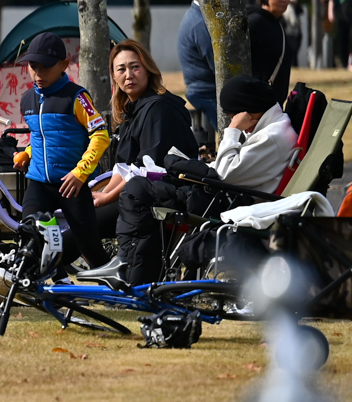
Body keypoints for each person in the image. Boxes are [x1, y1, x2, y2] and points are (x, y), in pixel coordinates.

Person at [101, 74, 299, 286]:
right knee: (141, 188)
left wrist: (232, 131)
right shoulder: (271, 128)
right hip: (230, 197)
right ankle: (132, 269)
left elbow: (225, 173)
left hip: (231, 203)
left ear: (247, 110)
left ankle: (131, 274)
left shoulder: (271, 136)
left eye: (233, 115)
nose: (235, 121)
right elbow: (231, 170)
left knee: (137, 191)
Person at [14, 30, 109, 269]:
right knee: (30, 234)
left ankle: (115, 283)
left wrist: (81, 172)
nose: (38, 73)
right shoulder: (27, 99)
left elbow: (101, 135)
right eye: (33, 66)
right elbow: (41, 138)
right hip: (38, 182)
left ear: (64, 65)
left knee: (89, 246)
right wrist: (27, 154)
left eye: (45, 67)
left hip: (71, 183)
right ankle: (34, 280)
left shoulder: (77, 97)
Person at [87, 39, 197, 236]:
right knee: (76, 219)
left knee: (80, 228)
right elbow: (124, 167)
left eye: (135, 67)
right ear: (114, 76)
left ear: (148, 70)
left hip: (157, 201)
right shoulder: (132, 110)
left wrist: (108, 198)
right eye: (121, 69)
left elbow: (147, 169)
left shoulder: (158, 109)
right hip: (133, 194)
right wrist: (103, 194)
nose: (129, 75)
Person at [248, 0, 296, 105]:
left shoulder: (276, 23)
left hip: (272, 101)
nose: (284, 0)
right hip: (257, 101)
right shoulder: (256, 21)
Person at [176, 0, 218, 143]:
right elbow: (216, 62)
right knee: (238, 136)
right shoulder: (200, 22)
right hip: (205, 91)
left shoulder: (195, 15)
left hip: (202, 88)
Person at [331, 0, 352, 69]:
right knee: (343, 41)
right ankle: (344, 64)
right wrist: (331, 13)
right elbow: (332, 0)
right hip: (342, 19)